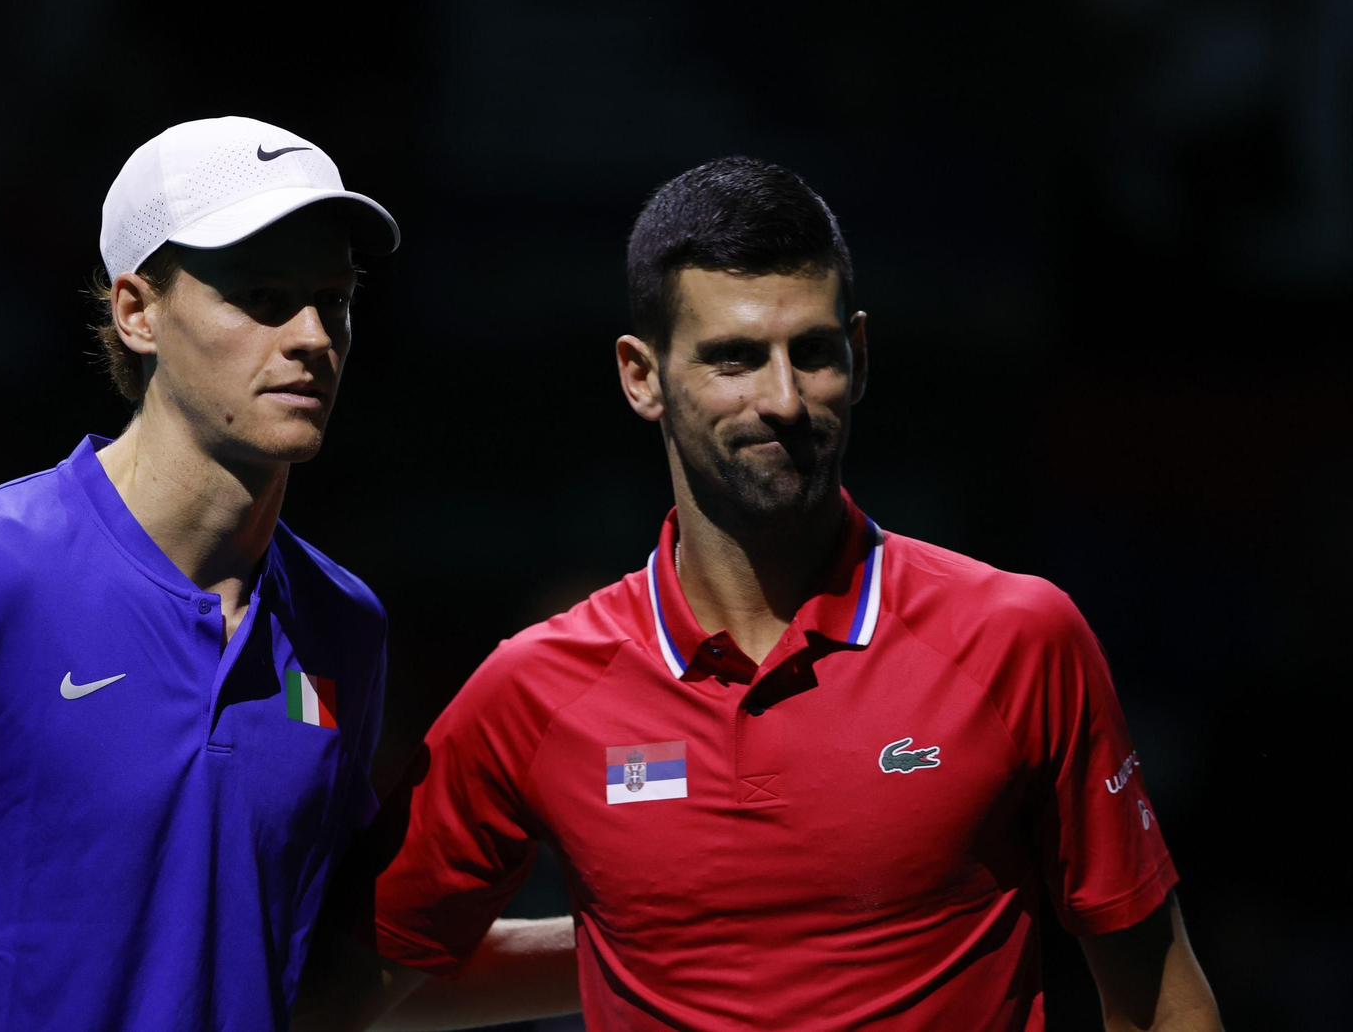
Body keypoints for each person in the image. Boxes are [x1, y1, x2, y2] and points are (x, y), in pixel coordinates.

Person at [330, 157, 1225, 1031]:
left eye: (815, 353)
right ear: (641, 376)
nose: (785, 399)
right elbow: (346, 984)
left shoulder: (1019, 637)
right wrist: (631, 946)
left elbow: (1158, 1001)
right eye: (734, 358)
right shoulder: (534, 690)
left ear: (861, 357)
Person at [0, 116, 556, 1032]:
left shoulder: (343, 624)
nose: (310, 337)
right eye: (261, 296)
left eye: (332, 298)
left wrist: (671, 940)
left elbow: (321, 977)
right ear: (138, 313)